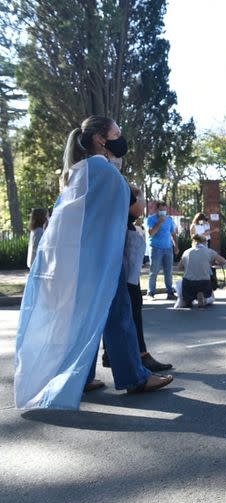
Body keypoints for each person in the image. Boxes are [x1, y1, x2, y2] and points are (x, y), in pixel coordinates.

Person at [15, 116, 173, 409]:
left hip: (77, 259)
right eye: (117, 133)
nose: (121, 138)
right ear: (102, 139)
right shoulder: (103, 170)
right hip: (100, 258)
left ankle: (83, 375)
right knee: (118, 314)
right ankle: (135, 377)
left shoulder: (79, 170)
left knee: (86, 314)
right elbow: (128, 209)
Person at [102, 184, 173, 373]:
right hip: (123, 273)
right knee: (131, 307)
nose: (142, 203)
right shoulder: (124, 219)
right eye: (140, 198)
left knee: (122, 309)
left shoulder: (119, 220)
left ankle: (113, 352)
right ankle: (139, 356)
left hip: (119, 271)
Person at [176, 234, 226, 309]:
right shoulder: (209, 251)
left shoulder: (186, 252)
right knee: (211, 298)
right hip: (204, 283)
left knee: (183, 283)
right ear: (205, 242)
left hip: (188, 283)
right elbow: (223, 261)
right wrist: (212, 263)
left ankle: (187, 300)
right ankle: (203, 297)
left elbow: (179, 268)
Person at [147, 200, 179, 300]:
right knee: (154, 271)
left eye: (165, 210)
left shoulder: (169, 219)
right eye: (161, 210)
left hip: (168, 248)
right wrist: (160, 222)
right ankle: (151, 293)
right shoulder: (151, 219)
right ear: (157, 210)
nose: (163, 212)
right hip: (156, 248)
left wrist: (176, 246)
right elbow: (151, 233)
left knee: (168, 272)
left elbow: (173, 234)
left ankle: (170, 292)